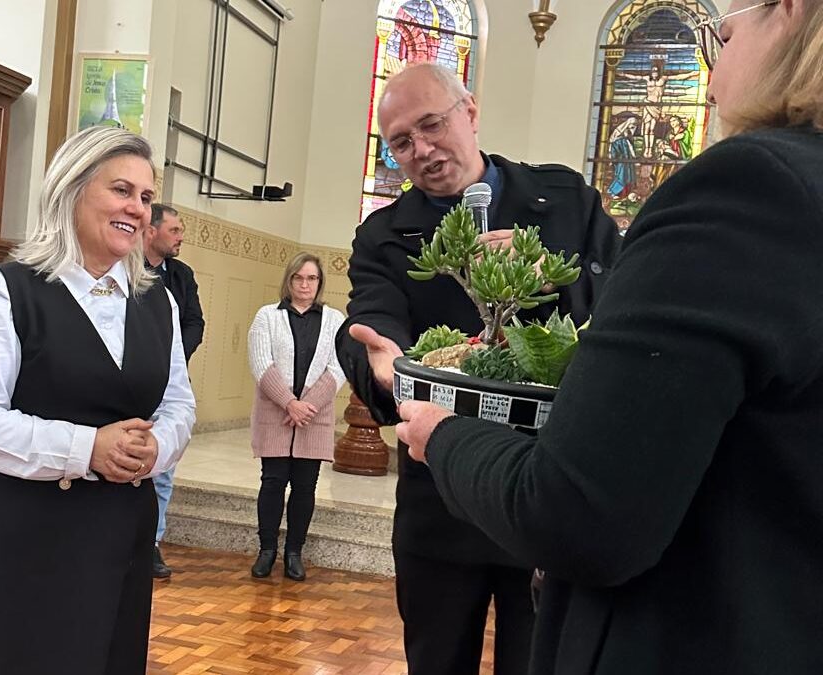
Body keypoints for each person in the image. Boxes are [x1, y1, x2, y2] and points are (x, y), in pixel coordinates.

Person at [396, 1, 823, 673]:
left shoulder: (749, 186)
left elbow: (579, 512)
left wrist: (442, 434)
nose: (710, 77)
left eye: (722, 35)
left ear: (789, 15)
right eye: (400, 140)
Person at [336, 62, 619, 675]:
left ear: (470, 110)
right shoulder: (384, 234)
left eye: (432, 125)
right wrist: (385, 368)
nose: (423, 150)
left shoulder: (566, 198)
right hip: (441, 500)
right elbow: (373, 322)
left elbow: (623, 306)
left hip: (549, 491)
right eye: (402, 144)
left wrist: (544, 273)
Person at [0, 126, 197, 675]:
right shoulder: (2, 290)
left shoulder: (160, 305)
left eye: (147, 198)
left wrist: (157, 449)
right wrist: (87, 448)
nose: (138, 208)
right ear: (73, 189)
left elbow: (178, 404)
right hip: (20, 541)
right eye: (122, 190)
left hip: (119, 537)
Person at [248, 253, 346, 582]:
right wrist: (290, 403)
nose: (305, 284)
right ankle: (266, 551)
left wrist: (307, 406)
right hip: (276, 412)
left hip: (314, 417)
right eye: (299, 278)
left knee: (305, 487)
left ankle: (294, 552)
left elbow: (338, 367)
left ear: (320, 284)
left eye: (312, 279)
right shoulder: (267, 316)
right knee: (272, 483)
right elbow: (261, 363)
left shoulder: (334, 320)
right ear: (289, 281)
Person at [143, 202, 205, 579]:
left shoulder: (181, 275)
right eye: (175, 230)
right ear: (151, 232)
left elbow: (195, 322)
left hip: (171, 380)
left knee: (163, 469)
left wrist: (171, 356)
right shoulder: (128, 270)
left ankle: (151, 542)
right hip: (132, 381)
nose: (181, 236)